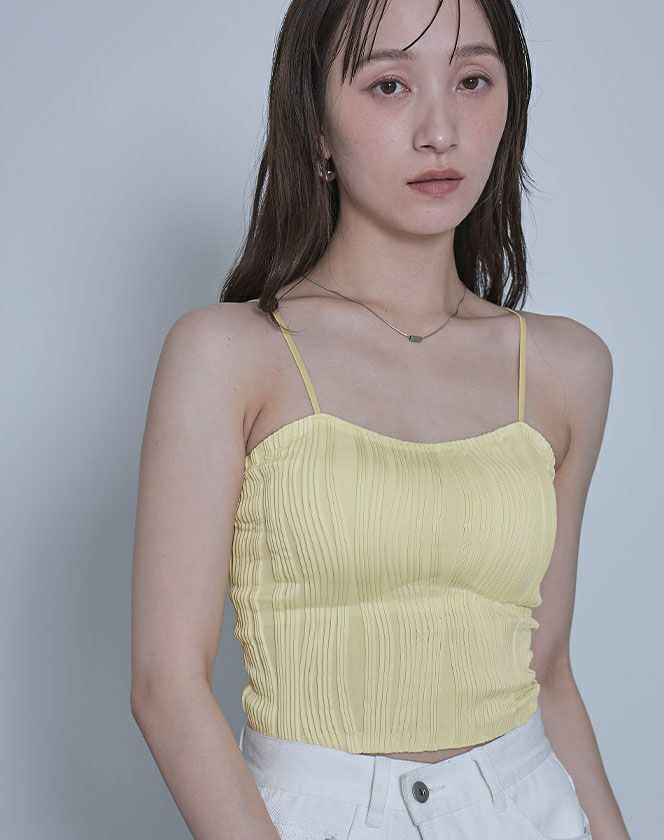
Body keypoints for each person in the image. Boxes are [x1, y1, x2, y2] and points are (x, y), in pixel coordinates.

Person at [131, 0, 631, 838]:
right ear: (316, 125)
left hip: (529, 805)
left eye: (473, 80)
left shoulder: (566, 369)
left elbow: (546, 673)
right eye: (389, 85)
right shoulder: (228, 354)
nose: (440, 131)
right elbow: (165, 686)